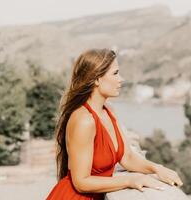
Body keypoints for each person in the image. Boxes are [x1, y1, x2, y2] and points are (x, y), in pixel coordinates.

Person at [46, 49, 183, 200]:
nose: (121, 79)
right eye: (115, 73)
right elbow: (81, 182)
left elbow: (128, 158)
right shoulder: (84, 120)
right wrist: (130, 180)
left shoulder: (108, 113)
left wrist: (157, 168)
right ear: (96, 79)